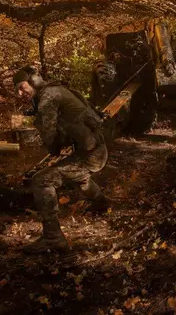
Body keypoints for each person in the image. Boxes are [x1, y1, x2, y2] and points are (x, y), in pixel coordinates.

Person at [12, 65, 109, 254]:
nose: (19, 93)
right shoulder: (55, 91)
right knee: (78, 176)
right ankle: (102, 203)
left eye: (22, 87)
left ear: (33, 81)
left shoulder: (48, 97)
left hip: (92, 155)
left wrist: (54, 151)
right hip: (94, 151)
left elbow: (49, 134)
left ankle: (53, 238)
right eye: (17, 89)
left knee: (41, 180)